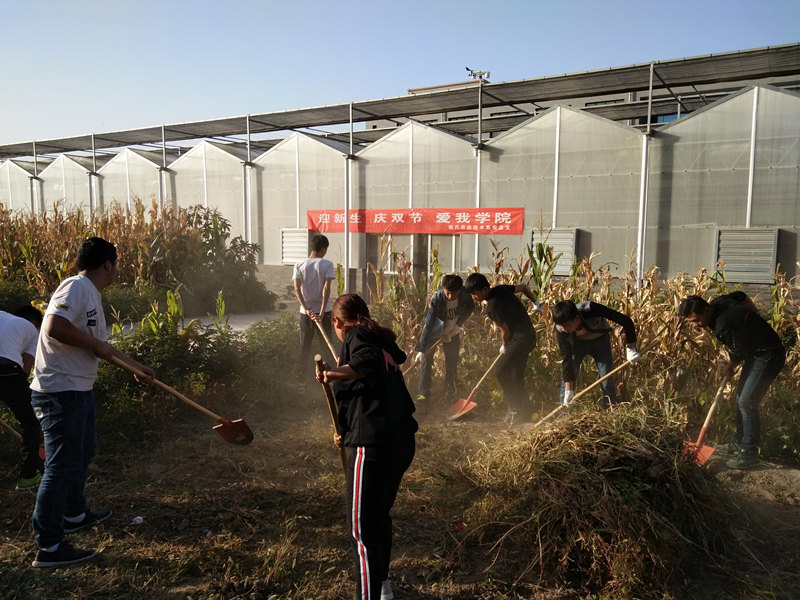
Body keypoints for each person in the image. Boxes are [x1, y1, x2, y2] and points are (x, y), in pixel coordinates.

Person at [30, 237, 155, 568]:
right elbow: (53, 326)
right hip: (60, 392)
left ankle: (74, 514)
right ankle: (49, 546)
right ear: (108, 264)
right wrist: (95, 344)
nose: (118, 270)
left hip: (77, 390)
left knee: (84, 451)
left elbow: (101, 348)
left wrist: (136, 367)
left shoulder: (90, 295)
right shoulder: (76, 287)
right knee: (60, 466)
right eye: (117, 264)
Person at [316, 293, 417, 600]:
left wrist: (330, 373)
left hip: (373, 447)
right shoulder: (378, 339)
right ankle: (382, 585)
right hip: (399, 441)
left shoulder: (357, 335)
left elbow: (366, 364)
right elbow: (369, 393)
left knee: (361, 531)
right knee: (378, 517)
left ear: (337, 322)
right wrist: (346, 433)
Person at [678, 292, 785, 470]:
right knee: (739, 398)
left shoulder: (723, 325)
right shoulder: (719, 301)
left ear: (706, 310)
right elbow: (741, 295)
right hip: (755, 352)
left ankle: (749, 453)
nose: (696, 325)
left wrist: (730, 365)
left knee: (747, 401)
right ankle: (739, 442)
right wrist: (754, 314)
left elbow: (738, 351)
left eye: (697, 320)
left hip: (769, 354)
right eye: (692, 322)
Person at [463, 273, 539, 424]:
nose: (474, 297)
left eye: (475, 294)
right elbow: (523, 287)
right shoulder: (501, 289)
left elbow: (505, 331)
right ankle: (524, 412)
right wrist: (536, 302)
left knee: (500, 370)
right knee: (516, 374)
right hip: (529, 336)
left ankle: (514, 408)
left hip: (520, 339)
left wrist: (504, 345)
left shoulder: (492, 306)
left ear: (484, 289)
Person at [551, 300, 640, 409]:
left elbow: (626, 321)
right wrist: (569, 390)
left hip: (600, 343)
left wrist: (631, 348)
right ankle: (562, 413)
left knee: (606, 380)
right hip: (578, 345)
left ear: (577, 319)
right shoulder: (561, 328)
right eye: (561, 326)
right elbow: (567, 358)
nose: (564, 329)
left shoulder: (591, 309)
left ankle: (610, 410)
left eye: (567, 326)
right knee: (567, 383)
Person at [0, 305, 45, 490]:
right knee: (31, 421)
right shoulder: (32, 331)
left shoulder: (2, 315)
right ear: (34, 322)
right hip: (6, 370)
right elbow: (25, 369)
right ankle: (29, 475)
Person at [414, 274, 475, 404]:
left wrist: (458, 325)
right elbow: (428, 324)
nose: (450, 297)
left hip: (452, 334)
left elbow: (470, 307)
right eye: (448, 293)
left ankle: (449, 395)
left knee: (451, 364)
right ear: (443, 288)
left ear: (460, 290)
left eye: (454, 293)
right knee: (426, 363)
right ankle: (423, 397)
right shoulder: (437, 299)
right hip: (434, 333)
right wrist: (422, 349)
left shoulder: (465, 295)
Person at [293, 234, 336, 394]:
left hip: (306, 314)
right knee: (327, 347)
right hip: (323, 313)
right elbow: (326, 289)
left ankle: (301, 384)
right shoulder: (327, 264)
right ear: (323, 248)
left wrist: (306, 308)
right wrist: (321, 311)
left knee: (304, 347)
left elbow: (297, 289)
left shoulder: (299, 264)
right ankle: (331, 381)